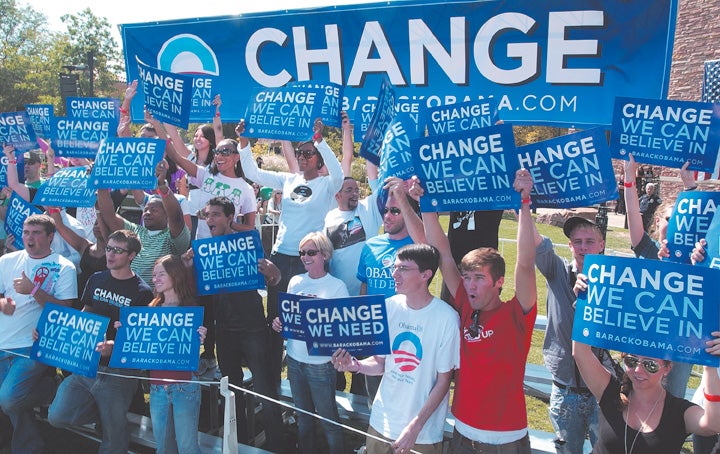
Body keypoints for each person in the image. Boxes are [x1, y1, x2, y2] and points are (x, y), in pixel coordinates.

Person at [419, 169, 537, 452]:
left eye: (479, 278)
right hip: (462, 433)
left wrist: (523, 202)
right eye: (467, 277)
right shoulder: (463, 304)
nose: (469, 285)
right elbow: (443, 252)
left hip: (505, 440)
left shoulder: (517, 314)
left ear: (499, 282)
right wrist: (426, 205)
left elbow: (524, 263)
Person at [238, 118, 344, 388]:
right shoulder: (287, 180)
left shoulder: (328, 184)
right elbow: (252, 172)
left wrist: (319, 139)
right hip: (281, 258)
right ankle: (272, 379)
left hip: (310, 260)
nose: (303, 156)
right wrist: (243, 142)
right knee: (276, 318)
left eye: (309, 153)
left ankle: (323, 377)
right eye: (300, 152)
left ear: (318, 158)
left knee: (313, 322)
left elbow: (339, 174)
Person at [332, 243, 460, 454]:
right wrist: (354, 365)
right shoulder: (389, 306)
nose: (394, 274)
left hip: (422, 434)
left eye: (403, 269)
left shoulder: (447, 319)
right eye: (395, 267)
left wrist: (415, 427)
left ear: (425, 274)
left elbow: (443, 382)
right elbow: (380, 363)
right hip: (381, 422)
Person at [183, 196, 285, 452]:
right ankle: (239, 443)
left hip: (252, 327)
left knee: (264, 387)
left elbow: (272, 280)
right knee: (232, 389)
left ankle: (276, 444)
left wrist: (273, 274)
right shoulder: (204, 251)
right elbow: (196, 292)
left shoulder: (249, 244)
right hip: (224, 330)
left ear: (231, 218)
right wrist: (187, 268)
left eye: (216, 214)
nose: (210, 220)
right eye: (207, 215)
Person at [48, 229, 154, 454]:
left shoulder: (143, 292)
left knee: (113, 438)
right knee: (57, 416)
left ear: (131, 255)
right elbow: (86, 312)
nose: (110, 254)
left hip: (118, 373)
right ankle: (101, 411)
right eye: (108, 248)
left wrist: (113, 347)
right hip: (88, 366)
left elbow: (138, 340)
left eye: (118, 250)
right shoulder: (96, 279)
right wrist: (55, 333)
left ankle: (109, 417)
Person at [0, 214, 77, 454]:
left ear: (50, 237)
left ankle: (49, 387)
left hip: (34, 346)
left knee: (10, 400)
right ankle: (29, 448)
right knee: (10, 403)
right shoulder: (7, 260)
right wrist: (4, 303)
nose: (28, 238)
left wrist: (34, 290)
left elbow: (66, 311)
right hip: (3, 342)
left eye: (35, 233)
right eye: (26, 232)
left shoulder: (64, 266)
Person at [624, 154, 697, 401]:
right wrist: (629, 177)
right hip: (644, 345)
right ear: (658, 221)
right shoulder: (646, 249)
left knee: (672, 404)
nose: (677, 224)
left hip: (679, 349)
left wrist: (690, 187)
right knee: (635, 400)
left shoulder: (696, 261)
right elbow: (633, 211)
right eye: (670, 219)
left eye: (682, 220)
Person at [534, 215, 609, 453]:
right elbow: (537, 244)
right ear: (569, 245)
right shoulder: (557, 271)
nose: (583, 247)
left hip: (601, 391)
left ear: (602, 244)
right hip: (565, 390)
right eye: (577, 241)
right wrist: (523, 207)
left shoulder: (615, 282)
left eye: (589, 241)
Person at [572, 332, 720, 453]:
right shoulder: (611, 392)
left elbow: (713, 424)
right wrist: (583, 305)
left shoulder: (678, 412)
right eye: (631, 361)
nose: (638, 370)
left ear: (667, 368)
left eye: (650, 365)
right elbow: (580, 353)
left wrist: (710, 366)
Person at [272, 231, 348, 454]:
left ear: (324, 255)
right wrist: (280, 324)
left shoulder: (337, 287)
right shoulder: (295, 281)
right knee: (303, 420)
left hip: (321, 365)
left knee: (329, 421)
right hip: (295, 361)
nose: (305, 257)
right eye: (302, 253)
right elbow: (289, 320)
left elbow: (343, 330)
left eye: (311, 253)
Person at [132, 255, 205, 454]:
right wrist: (126, 332)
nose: (155, 279)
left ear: (175, 275)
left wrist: (201, 336)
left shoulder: (190, 309)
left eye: (161, 274)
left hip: (184, 387)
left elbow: (193, 349)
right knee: (164, 449)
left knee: (187, 448)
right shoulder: (151, 308)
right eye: (154, 275)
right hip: (157, 389)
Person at [96, 159, 191, 288]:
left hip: (155, 301)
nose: (147, 213)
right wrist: (100, 183)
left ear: (166, 215)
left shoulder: (172, 239)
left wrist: (162, 186)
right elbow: (109, 216)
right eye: (145, 209)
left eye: (154, 210)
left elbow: (176, 217)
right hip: (129, 297)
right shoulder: (135, 232)